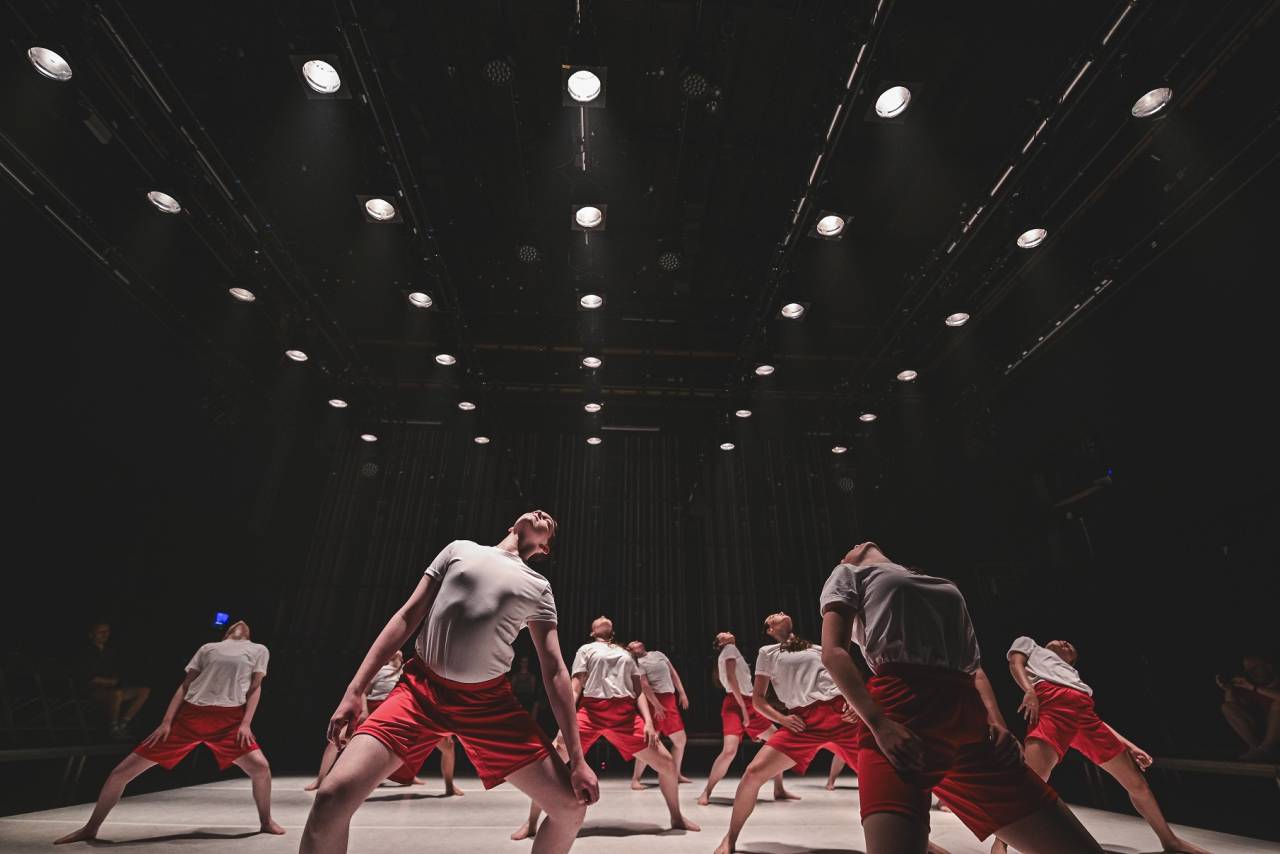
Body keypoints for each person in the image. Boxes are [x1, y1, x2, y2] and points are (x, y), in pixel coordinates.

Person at [300, 511, 599, 854]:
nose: (542, 514)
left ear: (544, 548)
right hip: (418, 694)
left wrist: (577, 760)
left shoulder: (538, 587)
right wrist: (355, 691)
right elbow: (407, 616)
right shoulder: (460, 549)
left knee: (571, 806)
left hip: (488, 706)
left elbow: (556, 670)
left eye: (551, 524)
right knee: (329, 800)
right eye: (537, 513)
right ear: (511, 525)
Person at [819, 542, 1107, 854]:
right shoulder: (848, 573)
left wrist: (998, 723)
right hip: (903, 714)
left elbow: (974, 668)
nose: (856, 544)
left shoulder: (931, 582)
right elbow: (834, 653)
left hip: (968, 720)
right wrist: (878, 723)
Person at [55, 620, 282, 844]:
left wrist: (245, 723)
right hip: (190, 718)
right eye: (234, 624)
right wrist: (166, 722)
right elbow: (185, 685)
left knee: (261, 768)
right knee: (120, 773)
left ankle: (266, 821)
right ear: (226, 634)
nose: (241, 623)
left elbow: (255, 688)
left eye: (244, 624)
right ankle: (91, 828)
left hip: (228, 723)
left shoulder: (258, 649)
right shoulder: (208, 648)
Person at [992, 637, 1214, 854]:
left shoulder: (1074, 677)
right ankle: (1000, 843)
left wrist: (1130, 746)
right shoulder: (1031, 645)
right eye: (1061, 641)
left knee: (1137, 783)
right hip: (1051, 703)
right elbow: (1015, 663)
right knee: (1032, 782)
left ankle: (1170, 841)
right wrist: (1029, 691)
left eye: (1071, 648)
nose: (1066, 643)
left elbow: (1094, 719)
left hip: (1083, 711)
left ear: (1071, 662)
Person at [513, 617, 699, 839]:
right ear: (592, 632)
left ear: (611, 630)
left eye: (606, 619)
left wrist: (648, 721)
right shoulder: (586, 649)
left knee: (668, 764)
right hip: (591, 712)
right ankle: (532, 822)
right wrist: (564, 725)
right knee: (550, 763)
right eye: (597, 620)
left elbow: (638, 691)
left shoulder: (625, 653)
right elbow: (574, 689)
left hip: (625, 717)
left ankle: (676, 816)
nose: (602, 617)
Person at [714, 612, 861, 854]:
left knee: (882, 773)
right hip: (802, 722)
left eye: (783, 613)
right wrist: (782, 719)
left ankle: (917, 840)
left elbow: (845, 677)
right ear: (769, 629)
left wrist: (855, 703)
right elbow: (759, 701)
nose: (780, 613)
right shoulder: (767, 653)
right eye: (773, 616)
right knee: (752, 774)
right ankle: (730, 839)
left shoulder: (816, 649)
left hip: (841, 716)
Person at [304, 651, 465, 795]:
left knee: (447, 746)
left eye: (400, 650)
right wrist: (365, 711)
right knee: (338, 738)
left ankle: (447, 786)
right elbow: (363, 692)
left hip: (402, 711)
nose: (399, 650)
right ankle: (320, 780)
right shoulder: (379, 670)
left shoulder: (408, 670)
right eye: (395, 650)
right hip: (376, 710)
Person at [698, 632, 793, 806]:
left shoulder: (730, 651)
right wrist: (743, 707)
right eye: (723, 634)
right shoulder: (730, 649)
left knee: (778, 743)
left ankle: (778, 788)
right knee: (729, 751)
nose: (727, 632)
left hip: (745, 702)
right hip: (740, 703)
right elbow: (731, 677)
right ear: (721, 642)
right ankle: (706, 791)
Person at [627, 640, 692, 787]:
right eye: (633, 643)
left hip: (670, 699)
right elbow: (644, 685)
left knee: (680, 740)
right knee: (651, 741)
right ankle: (635, 779)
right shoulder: (638, 663)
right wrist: (656, 705)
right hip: (655, 700)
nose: (637, 641)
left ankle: (675, 774)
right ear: (631, 650)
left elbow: (673, 672)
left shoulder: (658, 654)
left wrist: (682, 693)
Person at [78, 621, 151, 740]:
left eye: (107, 632)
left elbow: (117, 673)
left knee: (144, 691)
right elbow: (88, 678)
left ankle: (122, 725)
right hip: (92, 690)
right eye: (101, 632)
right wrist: (110, 682)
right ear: (91, 634)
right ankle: (113, 729)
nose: (105, 634)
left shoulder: (109, 652)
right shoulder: (85, 653)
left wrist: (118, 680)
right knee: (117, 694)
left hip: (112, 689)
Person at [1218, 654, 1280, 761]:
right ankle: (1256, 749)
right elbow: (1233, 709)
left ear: (1268, 666)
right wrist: (1229, 689)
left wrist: (1254, 688)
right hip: (1260, 733)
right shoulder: (1248, 686)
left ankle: (1266, 749)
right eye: (1247, 670)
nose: (1251, 673)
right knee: (1226, 707)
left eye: (1255, 668)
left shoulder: (1253, 686)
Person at [512, 655, 545, 723]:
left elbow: (532, 690)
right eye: (523, 662)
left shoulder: (531, 676)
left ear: (528, 663)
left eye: (526, 662)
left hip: (528, 696)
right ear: (520, 663)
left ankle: (532, 724)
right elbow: (512, 690)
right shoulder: (516, 676)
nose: (524, 663)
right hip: (518, 696)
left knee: (536, 703)